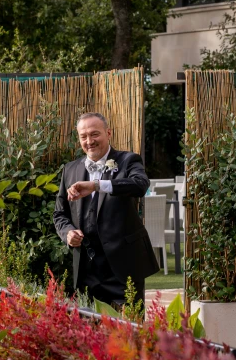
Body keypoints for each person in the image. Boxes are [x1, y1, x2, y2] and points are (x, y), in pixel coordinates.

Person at [53, 112, 159, 307]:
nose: (89, 141)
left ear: (108, 133)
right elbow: (60, 213)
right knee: (88, 332)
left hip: (123, 267)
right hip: (85, 268)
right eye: (83, 136)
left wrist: (96, 185)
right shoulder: (70, 169)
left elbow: (140, 185)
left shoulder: (128, 160)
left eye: (95, 134)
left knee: (127, 331)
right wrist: (67, 233)